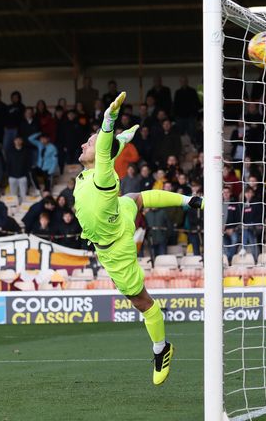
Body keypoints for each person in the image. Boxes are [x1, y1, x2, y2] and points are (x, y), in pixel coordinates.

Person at [73, 91, 203, 385]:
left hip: (114, 247)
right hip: (117, 214)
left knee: (142, 301)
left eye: (88, 142)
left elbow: (105, 149)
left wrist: (108, 121)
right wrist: (125, 137)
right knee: (135, 198)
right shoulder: (88, 172)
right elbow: (109, 149)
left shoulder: (102, 175)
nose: (84, 144)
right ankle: (190, 201)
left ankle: (161, 348)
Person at [6, 136, 30, 203]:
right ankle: (14, 208)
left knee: (23, 195)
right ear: (14, 141)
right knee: (13, 195)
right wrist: (8, 175)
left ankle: (23, 209)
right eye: (16, 140)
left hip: (23, 176)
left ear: (22, 141)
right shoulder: (10, 151)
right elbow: (8, 164)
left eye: (19, 140)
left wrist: (26, 175)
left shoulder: (26, 151)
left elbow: (28, 164)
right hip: (12, 176)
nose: (18, 141)